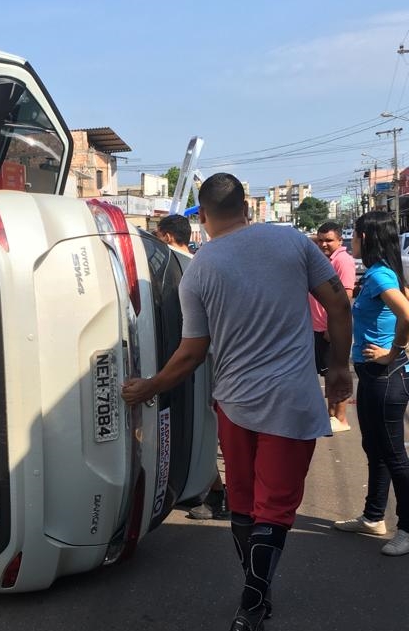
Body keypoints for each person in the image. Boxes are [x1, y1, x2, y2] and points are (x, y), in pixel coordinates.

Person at [121, 173, 352, 631]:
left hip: (235, 404)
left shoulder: (200, 270)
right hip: (291, 401)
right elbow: (339, 306)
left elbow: (191, 353)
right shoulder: (293, 244)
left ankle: (254, 598)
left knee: (245, 506)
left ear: (202, 216)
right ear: (247, 207)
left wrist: (149, 386)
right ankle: (252, 603)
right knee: (275, 510)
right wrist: (340, 368)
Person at [333, 210, 409, 556]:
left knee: (394, 455)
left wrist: (394, 351)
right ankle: (373, 516)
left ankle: (406, 528)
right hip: (372, 375)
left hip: (385, 376)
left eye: (356, 235)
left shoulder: (380, 275)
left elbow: (407, 314)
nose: (352, 241)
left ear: (368, 237)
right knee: (375, 449)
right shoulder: (384, 273)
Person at [157, 214, 230, 520]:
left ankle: (218, 495)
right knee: (204, 428)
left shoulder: (175, 268)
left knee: (201, 428)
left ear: (169, 237)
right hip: (208, 363)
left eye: (159, 236)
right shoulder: (198, 265)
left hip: (193, 365)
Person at [308, 221, 356, 433]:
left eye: (329, 240)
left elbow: (346, 295)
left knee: (336, 371)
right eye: (321, 240)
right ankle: (331, 415)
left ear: (340, 240)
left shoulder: (342, 260)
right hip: (317, 327)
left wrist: (332, 326)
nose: (324, 244)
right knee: (327, 373)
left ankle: (341, 417)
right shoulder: (324, 258)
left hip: (330, 327)